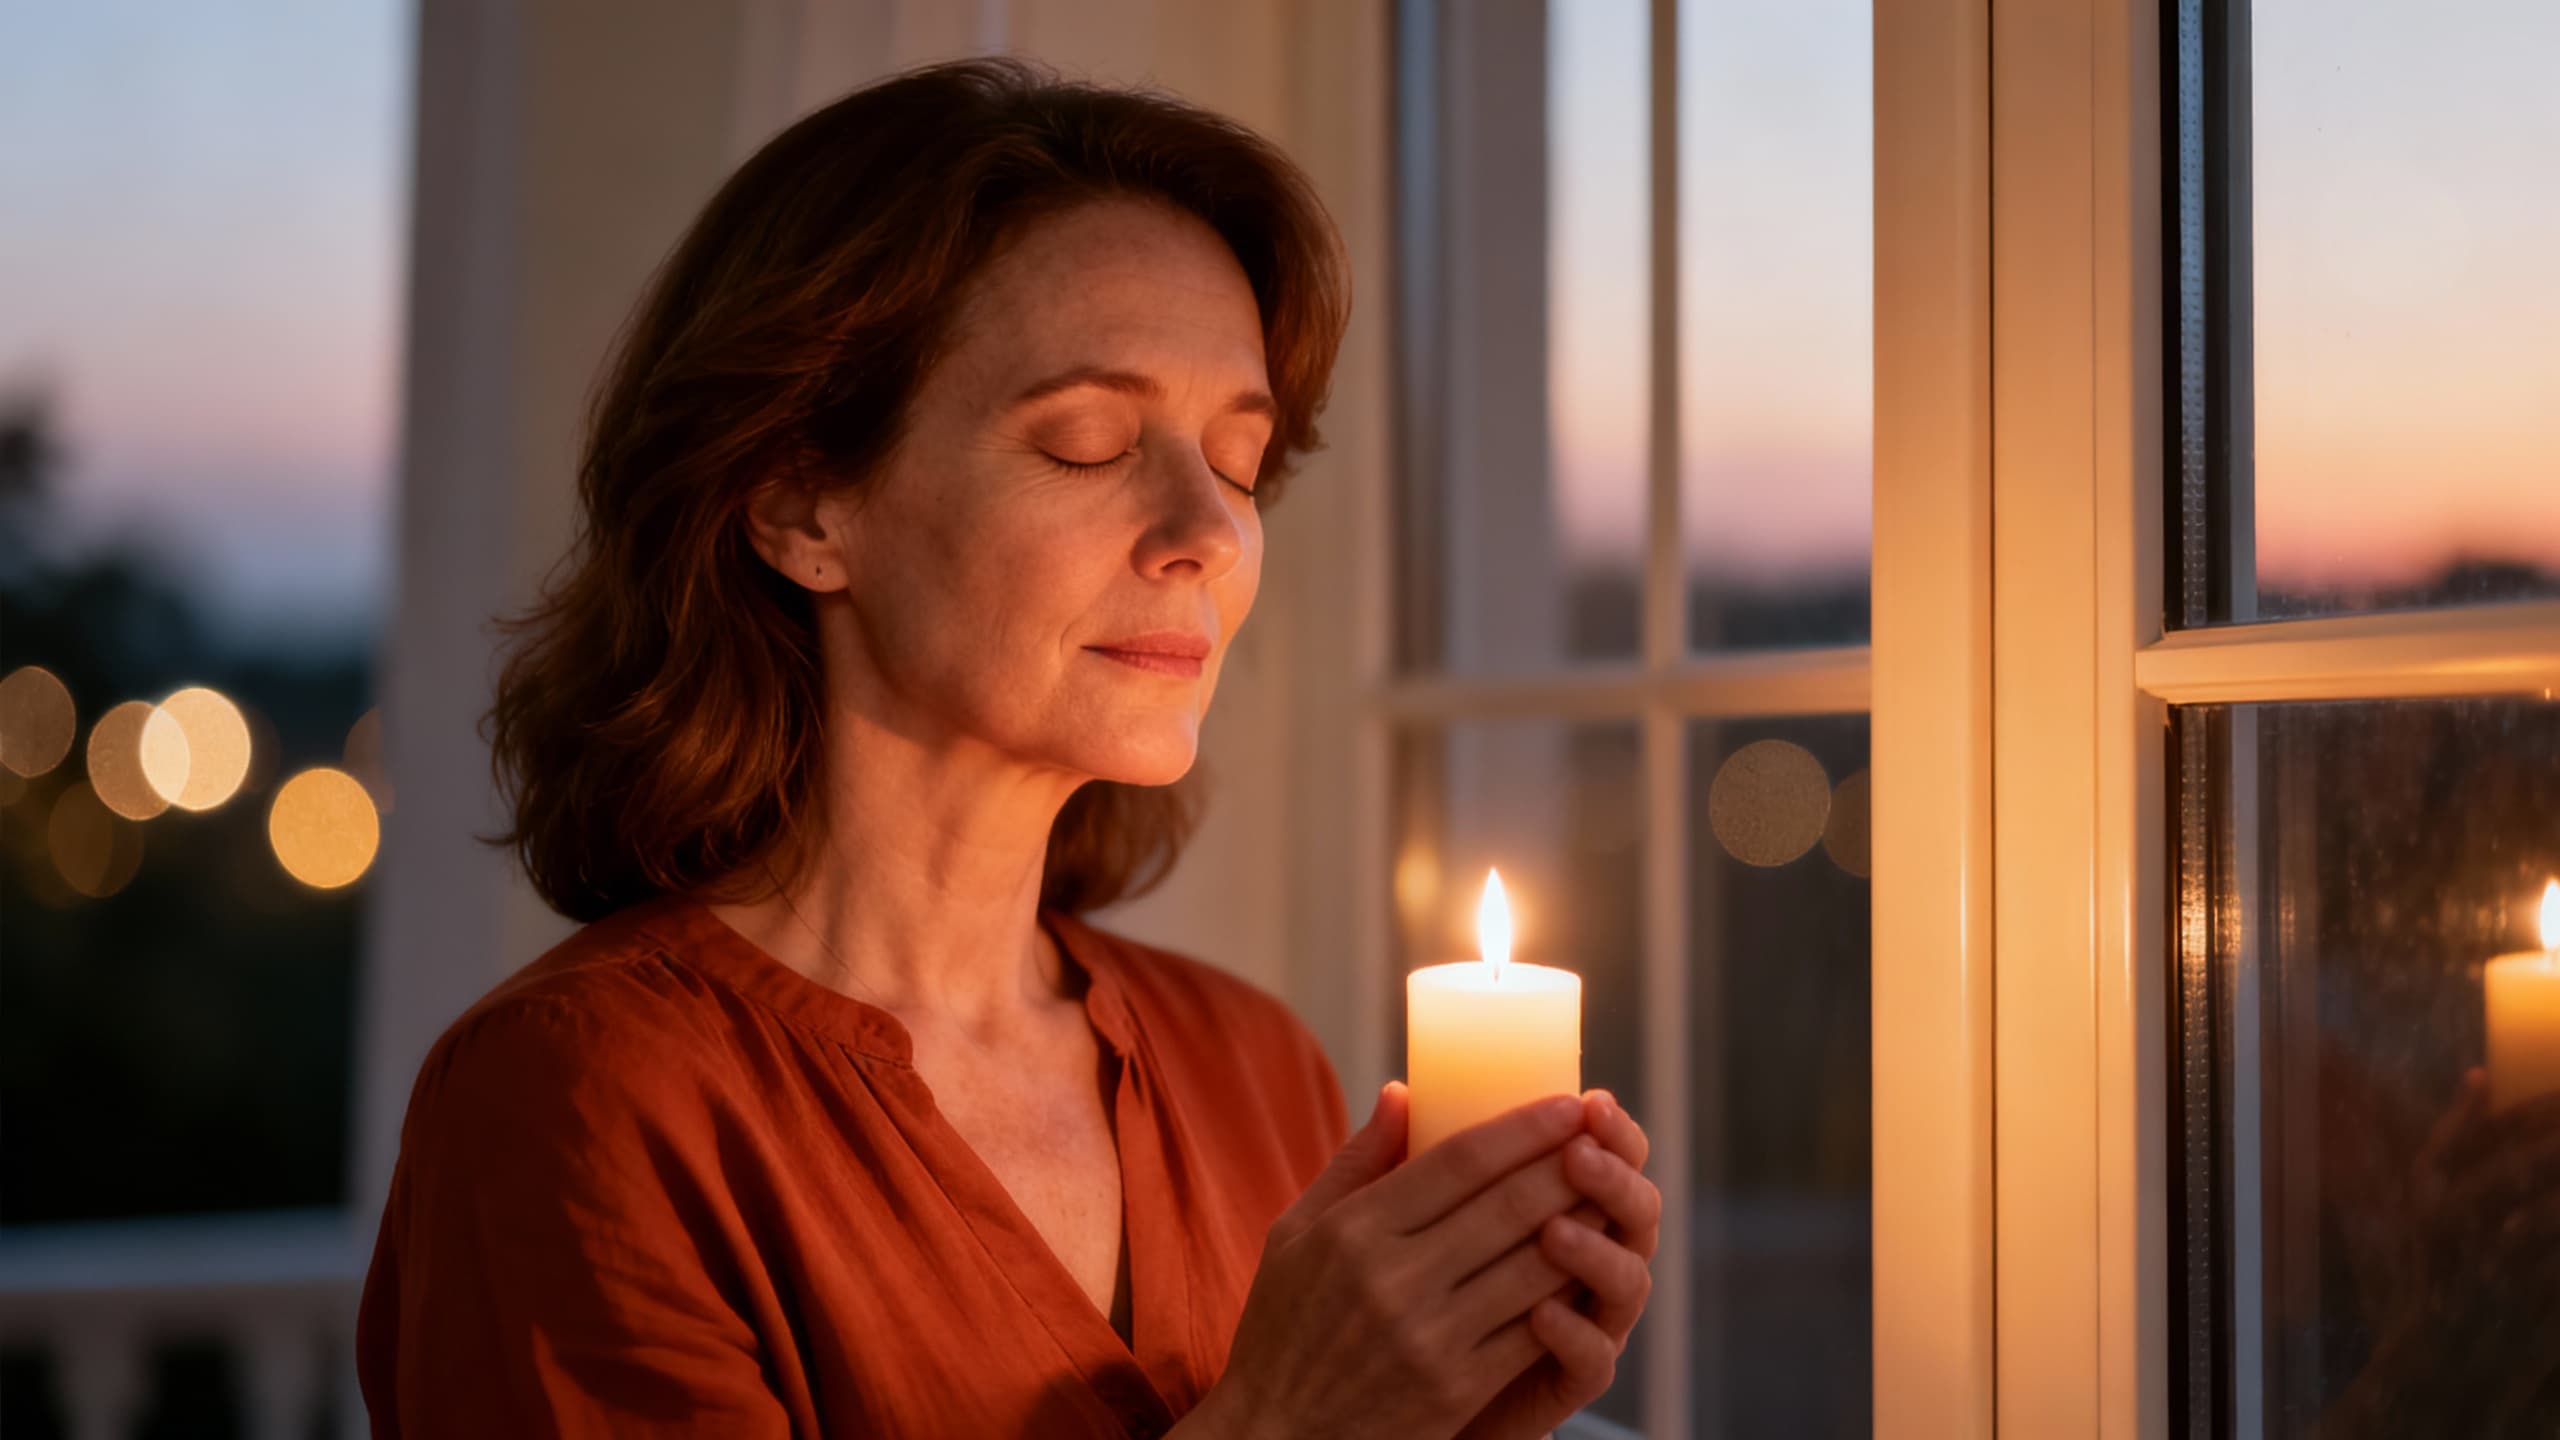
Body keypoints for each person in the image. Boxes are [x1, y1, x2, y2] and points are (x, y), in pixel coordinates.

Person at [355, 57, 1659, 1438]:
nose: (1208, 535)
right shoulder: (582, 1101)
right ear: (799, 501)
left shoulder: (1253, 1068)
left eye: (1237, 459)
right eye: (1091, 443)